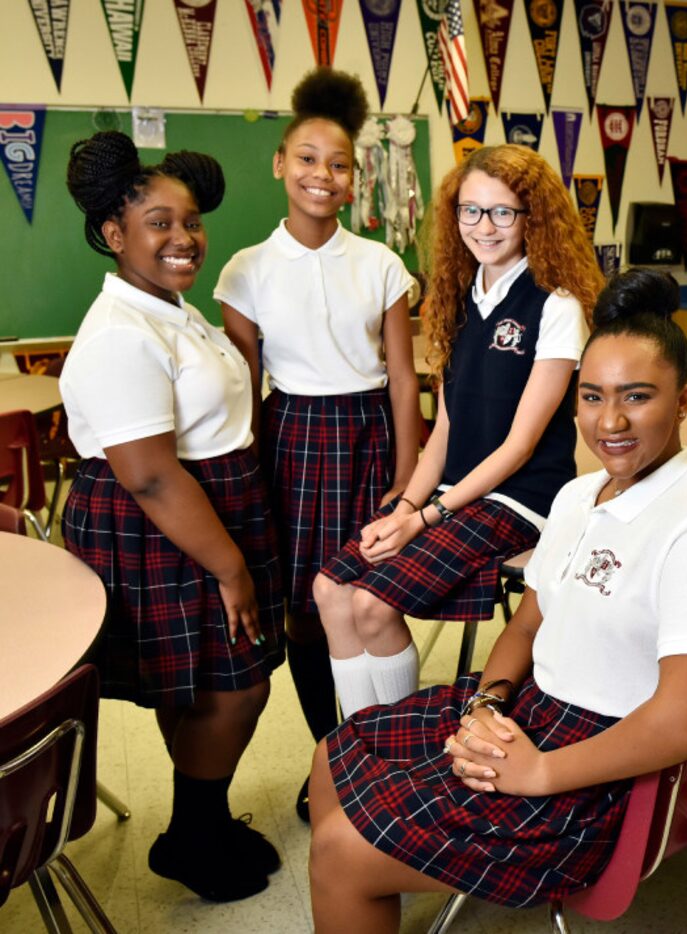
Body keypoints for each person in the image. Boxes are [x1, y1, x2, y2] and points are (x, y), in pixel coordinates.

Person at [305, 268, 687, 932]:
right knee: (333, 755)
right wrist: (487, 708)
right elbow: (526, 626)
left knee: (340, 851)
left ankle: (359, 873)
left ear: (683, 402)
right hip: (531, 709)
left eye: (638, 397)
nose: (612, 421)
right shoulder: (575, 497)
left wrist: (538, 773)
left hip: (598, 767)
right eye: (593, 397)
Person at [61, 131, 285, 901]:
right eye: (159, 222)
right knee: (236, 689)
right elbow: (152, 478)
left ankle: (203, 819)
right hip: (167, 525)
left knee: (197, 685)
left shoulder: (171, 310)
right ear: (114, 235)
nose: (184, 237)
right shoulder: (120, 335)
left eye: (190, 220)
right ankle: (191, 837)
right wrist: (229, 569)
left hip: (209, 511)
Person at [312, 144, 605, 717]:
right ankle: (362, 745)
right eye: (470, 211)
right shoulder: (457, 295)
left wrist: (424, 518)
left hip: (521, 497)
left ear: (532, 217)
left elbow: (520, 446)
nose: (484, 226)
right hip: (455, 493)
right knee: (330, 591)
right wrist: (408, 504)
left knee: (372, 603)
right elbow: (444, 426)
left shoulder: (556, 304)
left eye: (503, 212)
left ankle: (396, 749)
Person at [215, 67, 420, 822]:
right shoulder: (245, 272)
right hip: (292, 438)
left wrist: (406, 482)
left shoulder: (380, 264)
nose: (321, 175)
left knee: (371, 596)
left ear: (353, 175)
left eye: (337, 163)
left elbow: (403, 381)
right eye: (306, 159)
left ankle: (390, 748)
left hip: (370, 432)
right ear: (279, 163)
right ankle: (332, 755)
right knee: (306, 608)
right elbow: (241, 388)